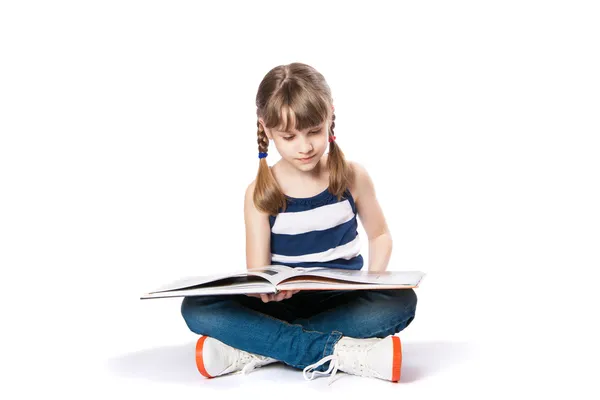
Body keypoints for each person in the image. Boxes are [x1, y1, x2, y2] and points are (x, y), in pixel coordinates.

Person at [181, 62, 418, 385]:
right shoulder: (261, 193)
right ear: (265, 129)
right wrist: (267, 291)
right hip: (286, 307)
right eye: (289, 136)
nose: (304, 147)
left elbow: (379, 235)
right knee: (197, 307)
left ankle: (258, 349)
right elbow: (259, 274)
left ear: (330, 117)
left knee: (400, 302)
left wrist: (373, 281)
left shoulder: (352, 177)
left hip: (342, 302)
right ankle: (342, 352)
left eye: (314, 132)